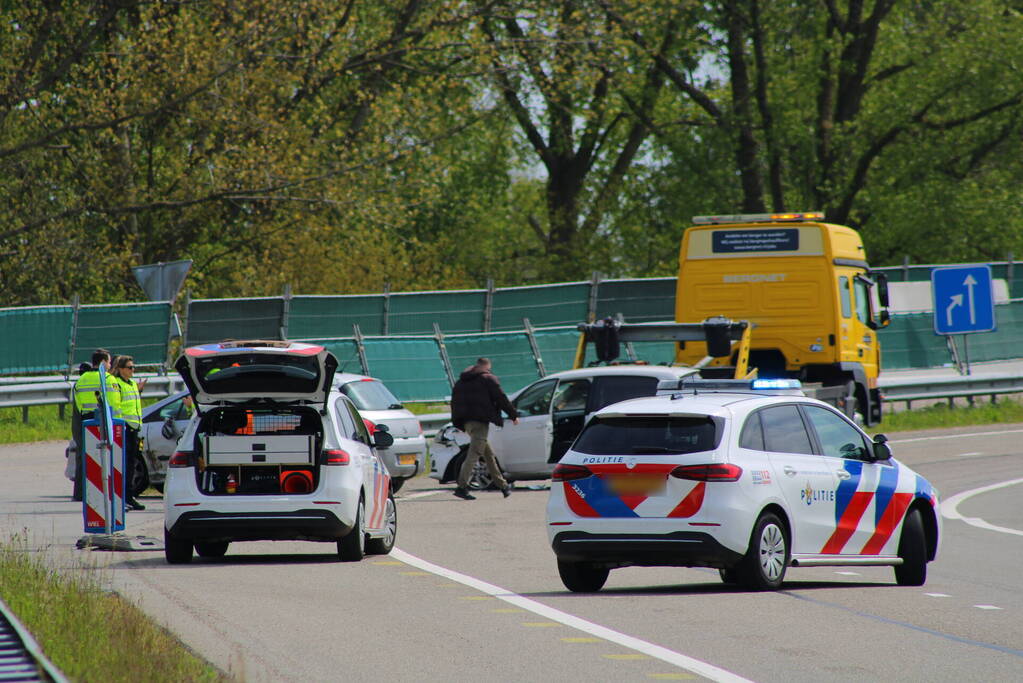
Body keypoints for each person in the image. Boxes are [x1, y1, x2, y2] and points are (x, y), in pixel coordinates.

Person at [449, 357, 519, 500]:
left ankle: (503, 486)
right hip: (480, 424)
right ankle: (461, 487)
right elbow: (501, 398)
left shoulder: (461, 382)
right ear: (487, 366)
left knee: (488, 455)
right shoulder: (488, 379)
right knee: (474, 454)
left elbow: (454, 403)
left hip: (468, 423)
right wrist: (513, 415)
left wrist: (459, 423)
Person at [71, 349, 116, 501]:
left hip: (86, 421)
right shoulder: (108, 379)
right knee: (104, 457)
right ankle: (101, 492)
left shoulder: (82, 379)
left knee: (85, 457)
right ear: (103, 362)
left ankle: (80, 493)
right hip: (103, 421)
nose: (110, 365)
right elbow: (115, 404)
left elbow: (77, 404)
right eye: (109, 361)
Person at [110, 355, 147, 511]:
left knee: (131, 465)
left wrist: (140, 390)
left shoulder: (132, 384)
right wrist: (121, 426)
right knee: (124, 464)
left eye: (133, 367)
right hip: (124, 428)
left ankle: (128, 495)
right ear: (120, 369)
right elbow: (117, 407)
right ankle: (123, 496)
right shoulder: (117, 384)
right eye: (130, 368)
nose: (133, 370)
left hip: (134, 429)